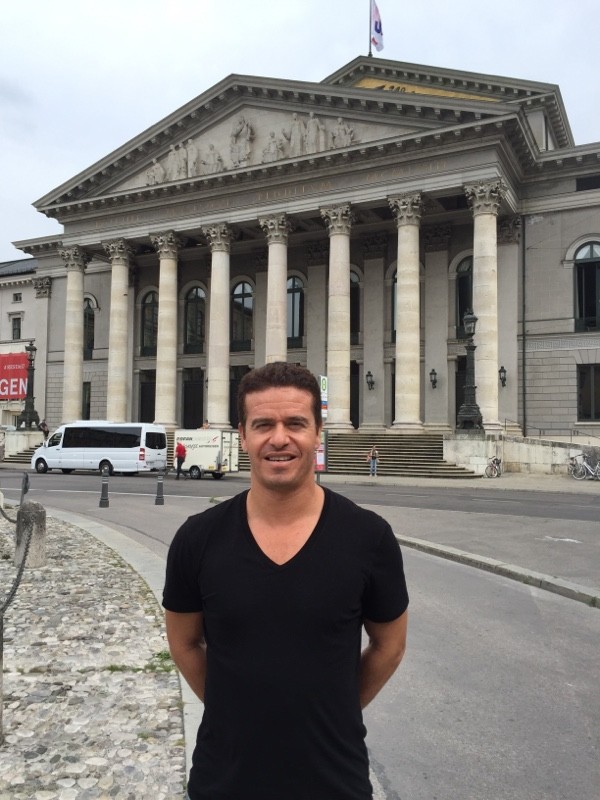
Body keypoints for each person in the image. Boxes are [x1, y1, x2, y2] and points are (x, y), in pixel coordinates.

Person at [163, 362, 408, 800]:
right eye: (263, 425)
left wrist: (335, 711)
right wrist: (231, 711)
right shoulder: (197, 539)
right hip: (224, 781)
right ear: (243, 435)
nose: (279, 439)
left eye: (295, 423)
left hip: (334, 783)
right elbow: (183, 643)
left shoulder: (369, 537)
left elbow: (390, 645)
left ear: (318, 433)